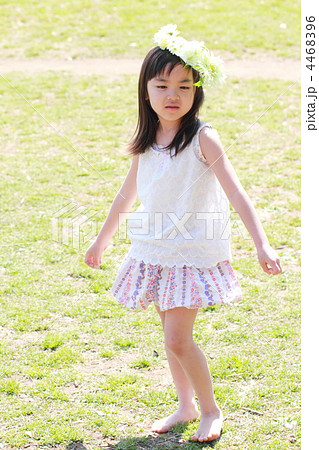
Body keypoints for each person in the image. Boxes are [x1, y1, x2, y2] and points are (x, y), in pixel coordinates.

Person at [85, 24, 282, 443]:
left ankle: (210, 409)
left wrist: (261, 242)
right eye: (162, 85)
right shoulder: (146, 140)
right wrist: (102, 238)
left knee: (177, 338)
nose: (173, 95)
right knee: (171, 338)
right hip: (154, 249)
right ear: (146, 91)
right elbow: (127, 193)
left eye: (184, 86)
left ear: (197, 92)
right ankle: (186, 405)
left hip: (192, 251)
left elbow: (236, 192)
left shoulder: (202, 138)